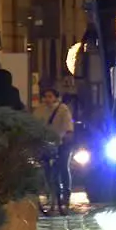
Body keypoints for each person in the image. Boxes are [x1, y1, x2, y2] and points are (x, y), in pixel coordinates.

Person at [34, 87, 75, 215]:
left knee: (63, 169)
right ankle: (53, 200)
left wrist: (66, 136)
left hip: (62, 145)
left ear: (56, 98)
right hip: (46, 145)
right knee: (48, 173)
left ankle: (65, 198)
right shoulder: (39, 110)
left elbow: (68, 127)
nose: (47, 99)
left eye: (50, 96)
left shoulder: (63, 109)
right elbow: (34, 124)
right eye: (45, 96)